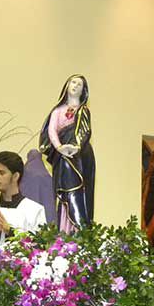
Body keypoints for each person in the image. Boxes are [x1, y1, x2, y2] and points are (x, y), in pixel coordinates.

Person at [39, 74, 95, 231]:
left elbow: (85, 131)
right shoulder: (57, 111)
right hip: (62, 156)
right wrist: (59, 147)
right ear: (67, 85)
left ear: (83, 91)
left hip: (80, 157)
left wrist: (76, 147)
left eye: (80, 84)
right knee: (64, 192)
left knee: (79, 191)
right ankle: (64, 228)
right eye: (73, 82)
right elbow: (51, 131)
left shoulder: (83, 111)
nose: (75, 86)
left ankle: (79, 228)